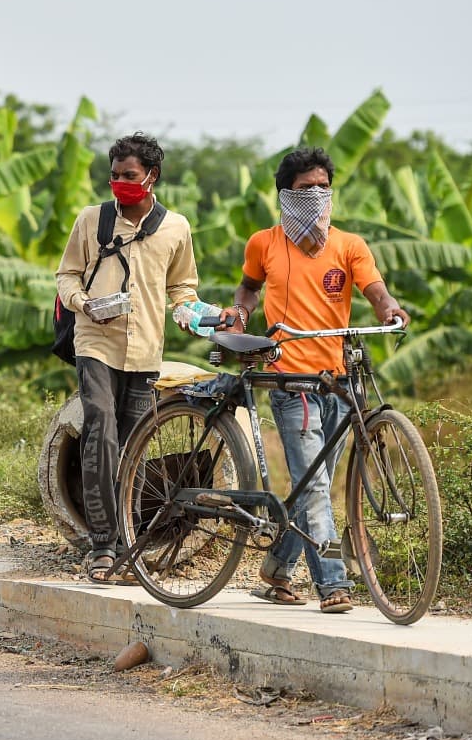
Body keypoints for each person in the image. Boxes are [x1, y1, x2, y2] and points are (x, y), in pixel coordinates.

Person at [227, 146, 409, 614]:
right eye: (305, 189)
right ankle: (333, 584)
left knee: (315, 483)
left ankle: (276, 569)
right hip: (291, 383)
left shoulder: (349, 245)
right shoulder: (263, 243)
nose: (316, 195)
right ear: (285, 195)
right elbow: (248, 287)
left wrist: (387, 308)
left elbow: (375, 288)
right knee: (313, 490)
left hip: (338, 384)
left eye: (323, 188)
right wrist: (241, 311)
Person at [55, 133, 201, 584]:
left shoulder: (175, 227)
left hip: (146, 348)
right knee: (100, 425)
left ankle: (128, 539)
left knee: (134, 440)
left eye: (129, 175)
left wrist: (188, 311)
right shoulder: (90, 220)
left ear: (152, 177)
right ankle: (103, 543)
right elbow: (67, 275)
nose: (120, 182)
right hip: (94, 340)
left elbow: (182, 286)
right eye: (114, 175)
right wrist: (83, 303)